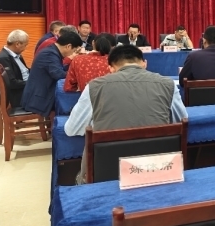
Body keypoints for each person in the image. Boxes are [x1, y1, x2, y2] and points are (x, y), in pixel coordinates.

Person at [64, 45, 187, 185]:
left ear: (111, 68)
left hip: (106, 174)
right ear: (144, 63)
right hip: (158, 170)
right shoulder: (169, 84)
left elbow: (71, 129)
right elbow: (181, 120)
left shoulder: (93, 87)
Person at [22, 31, 83, 118]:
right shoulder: (49, 54)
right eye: (74, 51)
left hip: (42, 93)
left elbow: (59, 69)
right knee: (74, 103)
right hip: (39, 99)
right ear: (68, 46)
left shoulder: (52, 51)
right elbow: (59, 75)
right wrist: (77, 75)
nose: (73, 54)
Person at [0, 30, 30, 107]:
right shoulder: (2, 58)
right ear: (17, 44)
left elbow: (24, 71)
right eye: (25, 45)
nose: (25, 48)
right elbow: (12, 83)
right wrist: (32, 82)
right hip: (18, 95)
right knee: (50, 94)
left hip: (24, 88)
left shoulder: (16, 55)